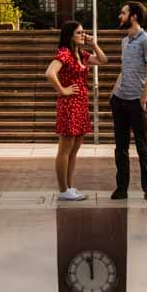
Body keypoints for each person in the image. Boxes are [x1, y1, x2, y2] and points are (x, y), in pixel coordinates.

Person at [46, 19, 107, 201]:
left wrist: (94, 43)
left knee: (74, 150)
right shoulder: (64, 53)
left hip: (81, 105)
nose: (83, 35)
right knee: (65, 150)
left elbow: (103, 60)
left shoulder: (81, 54)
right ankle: (63, 189)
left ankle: (70, 187)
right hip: (69, 105)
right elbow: (50, 73)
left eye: (83, 32)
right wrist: (63, 90)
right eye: (79, 33)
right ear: (70, 36)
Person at [110, 1, 147, 200]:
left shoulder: (146, 41)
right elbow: (124, 70)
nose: (119, 16)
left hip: (136, 102)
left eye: (123, 13)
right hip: (119, 100)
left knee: (142, 146)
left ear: (133, 17)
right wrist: (113, 92)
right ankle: (121, 188)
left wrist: (143, 99)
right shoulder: (125, 41)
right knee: (120, 147)